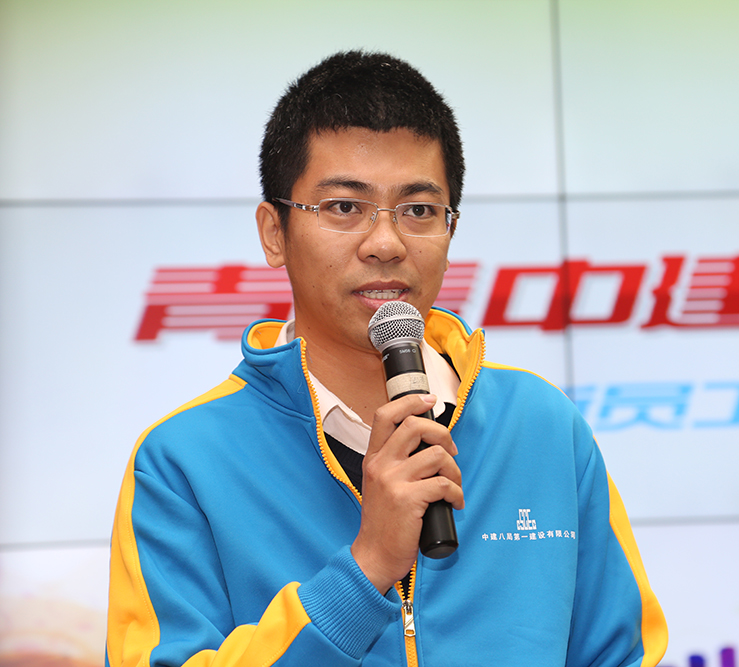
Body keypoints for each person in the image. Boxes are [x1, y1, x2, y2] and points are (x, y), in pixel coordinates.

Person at [105, 50, 667, 666]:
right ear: (274, 232)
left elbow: (622, 654)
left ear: (451, 231)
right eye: (344, 207)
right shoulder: (182, 462)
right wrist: (365, 569)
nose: (386, 243)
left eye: (419, 210)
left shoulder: (540, 425)